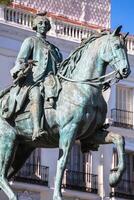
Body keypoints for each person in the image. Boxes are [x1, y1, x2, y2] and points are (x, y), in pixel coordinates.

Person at [10, 13, 63, 140]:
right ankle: (36, 129)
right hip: (35, 81)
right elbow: (20, 60)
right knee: (37, 96)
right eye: (40, 23)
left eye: (45, 23)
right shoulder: (30, 41)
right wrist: (24, 67)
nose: (43, 25)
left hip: (52, 80)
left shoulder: (54, 48)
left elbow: (60, 65)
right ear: (35, 26)